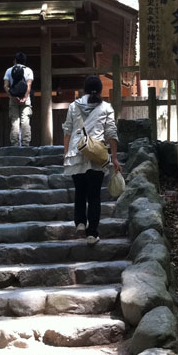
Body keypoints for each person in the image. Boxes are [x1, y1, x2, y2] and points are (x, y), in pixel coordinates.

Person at [62, 75, 121, 246]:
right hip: (97, 155)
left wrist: (66, 154)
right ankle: (92, 233)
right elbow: (111, 134)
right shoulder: (106, 108)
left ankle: (80, 223)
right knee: (94, 195)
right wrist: (115, 158)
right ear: (101, 90)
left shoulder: (74, 106)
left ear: (84, 90)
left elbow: (67, 132)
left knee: (80, 192)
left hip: (76, 153)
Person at [3, 52, 34, 146]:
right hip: (25, 98)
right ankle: (25, 144)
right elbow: (28, 85)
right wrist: (24, 97)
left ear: (15, 61)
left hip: (13, 98)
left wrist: (12, 96)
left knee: (15, 121)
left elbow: (5, 86)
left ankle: (15, 144)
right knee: (25, 121)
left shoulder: (9, 70)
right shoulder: (29, 70)